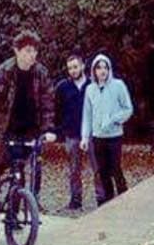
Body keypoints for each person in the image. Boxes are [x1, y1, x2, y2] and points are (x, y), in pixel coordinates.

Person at [0, 29, 57, 197]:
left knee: (24, 167)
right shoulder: (5, 72)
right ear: (17, 51)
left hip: (31, 127)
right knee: (5, 159)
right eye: (28, 51)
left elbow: (47, 103)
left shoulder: (40, 73)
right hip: (7, 126)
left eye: (35, 51)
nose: (32, 55)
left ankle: (16, 213)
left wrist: (49, 130)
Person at [81, 53, 133, 205]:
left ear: (109, 69)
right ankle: (109, 202)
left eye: (105, 67)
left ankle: (125, 198)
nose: (102, 71)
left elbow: (127, 108)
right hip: (98, 137)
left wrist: (114, 119)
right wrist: (85, 137)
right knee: (102, 171)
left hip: (114, 136)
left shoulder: (118, 85)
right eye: (99, 68)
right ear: (94, 71)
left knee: (115, 168)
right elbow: (87, 115)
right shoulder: (90, 89)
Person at [54, 52, 103, 210]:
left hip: (92, 134)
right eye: (70, 68)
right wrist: (60, 130)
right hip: (72, 134)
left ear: (82, 66)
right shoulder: (62, 87)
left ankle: (102, 198)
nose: (73, 71)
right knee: (74, 169)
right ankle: (75, 199)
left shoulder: (93, 85)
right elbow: (57, 110)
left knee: (98, 168)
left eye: (75, 67)